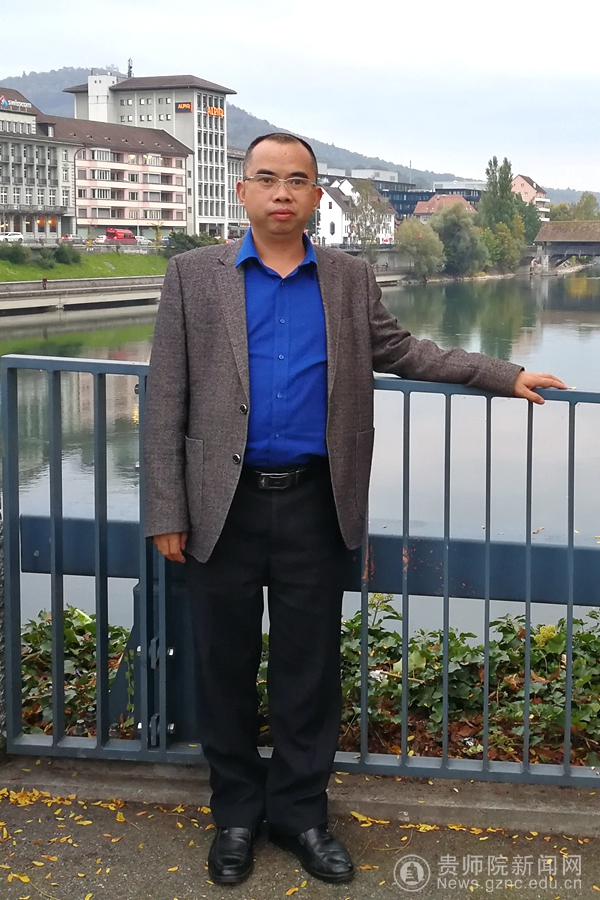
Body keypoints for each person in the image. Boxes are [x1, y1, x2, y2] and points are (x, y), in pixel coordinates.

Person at [143, 133, 566, 886]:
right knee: (223, 666)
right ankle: (235, 814)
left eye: (296, 180)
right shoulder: (192, 275)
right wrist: (166, 508)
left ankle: (300, 815)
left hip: (316, 501)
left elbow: (406, 352)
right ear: (242, 190)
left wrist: (502, 374)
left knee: (309, 672)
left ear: (315, 195)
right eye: (266, 178)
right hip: (219, 506)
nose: (281, 192)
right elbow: (165, 397)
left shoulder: (347, 277)